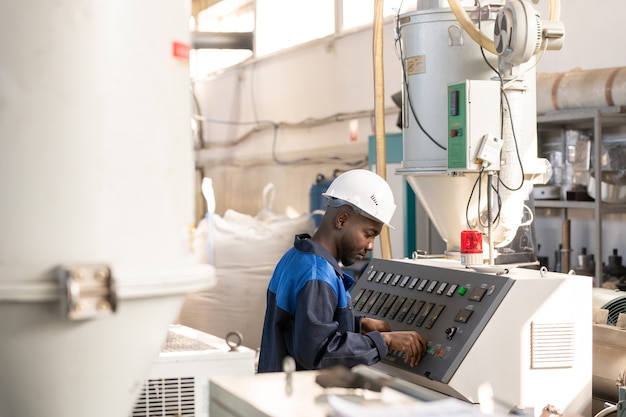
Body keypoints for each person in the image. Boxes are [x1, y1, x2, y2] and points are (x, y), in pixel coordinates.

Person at [257, 169, 427, 373]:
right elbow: (318, 352)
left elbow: (302, 328)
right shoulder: (317, 275)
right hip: (298, 396)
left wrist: (357, 325)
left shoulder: (296, 257)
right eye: (369, 234)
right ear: (342, 220)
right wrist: (384, 341)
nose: (371, 246)